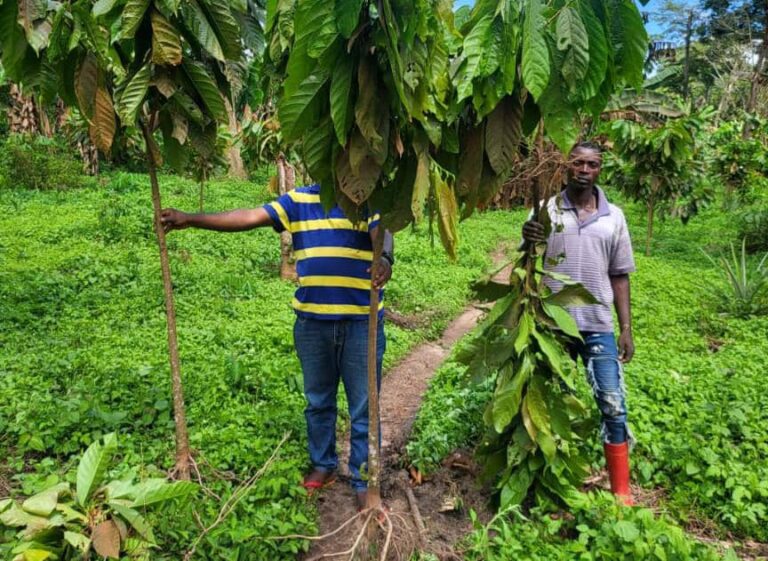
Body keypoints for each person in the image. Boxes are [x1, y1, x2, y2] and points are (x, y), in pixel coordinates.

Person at [160, 184, 394, 509]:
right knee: (318, 401)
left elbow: (381, 233)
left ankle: (364, 480)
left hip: (361, 325)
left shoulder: (366, 197)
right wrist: (190, 218)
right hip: (313, 324)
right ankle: (323, 464)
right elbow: (249, 216)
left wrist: (384, 258)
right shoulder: (299, 200)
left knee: (364, 407)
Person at [522, 141, 636, 505]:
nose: (584, 170)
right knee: (547, 400)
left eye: (592, 164)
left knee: (612, 402)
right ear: (566, 165)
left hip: (597, 323)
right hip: (552, 324)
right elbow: (527, 259)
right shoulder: (546, 209)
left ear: (600, 169)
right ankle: (547, 477)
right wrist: (527, 238)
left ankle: (621, 491)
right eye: (578, 163)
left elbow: (620, 275)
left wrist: (626, 328)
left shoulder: (614, 217)